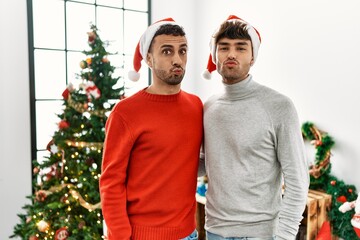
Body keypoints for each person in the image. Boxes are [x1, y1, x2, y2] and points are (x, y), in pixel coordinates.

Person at [200, 15, 309, 240]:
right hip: (215, 231)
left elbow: (298, 181)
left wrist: (285, 236)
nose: (231, 54)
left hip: (262, 234)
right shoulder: (208, 108)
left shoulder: (279, 106)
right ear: (215, 55)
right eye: (224, 48)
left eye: (241, 48)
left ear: (253, 57)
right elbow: (204, 163)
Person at [100, 18, 203, 240]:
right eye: (167, 51)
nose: (177, 59)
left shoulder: (196, 106)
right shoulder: (125, 112)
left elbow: (194, 162)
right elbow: (111, 181)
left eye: (182, 51)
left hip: (189, 233)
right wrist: (119, 236)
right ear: (148, 58)